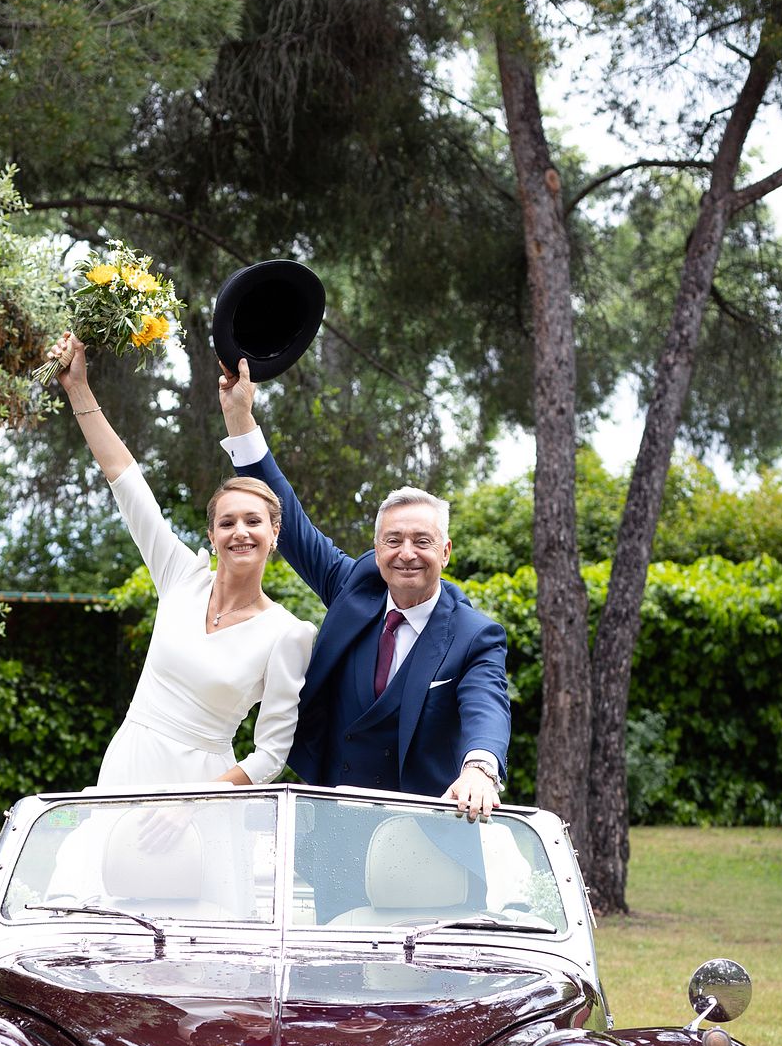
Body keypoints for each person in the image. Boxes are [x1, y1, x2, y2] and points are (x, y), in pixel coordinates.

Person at [217, 359, 510, 818]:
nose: (406, 554)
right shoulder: (355, 584)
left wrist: (480, 768)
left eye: (422, 541)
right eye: (393, 541)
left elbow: (486, 705)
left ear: (446, 552)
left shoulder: (475, 635)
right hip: (328, 818)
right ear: (376, 549)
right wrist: (240, 418)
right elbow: (289, 519)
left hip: (422, 829)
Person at [50, 333, 316, 790]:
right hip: (128, 767)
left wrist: (199, 799)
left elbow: (271, 754)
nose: (240, 532)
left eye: (254, 521)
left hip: (204, 790)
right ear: (212, 536)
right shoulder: (180, 577)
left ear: (275, 535)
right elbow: (125, 479)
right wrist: (78, 388)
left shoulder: (289, 634)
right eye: (227, 522)